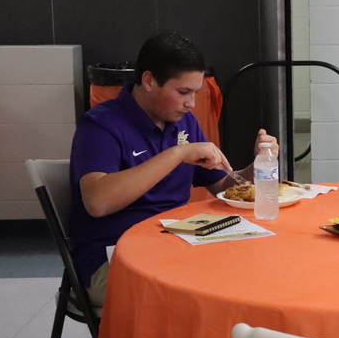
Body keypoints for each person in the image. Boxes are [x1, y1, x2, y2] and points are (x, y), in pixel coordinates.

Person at [69, 31, 277, 306]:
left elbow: (224, 188)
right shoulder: (101, 125)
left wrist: (260, 163)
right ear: (149, 80)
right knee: (206, 294)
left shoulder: (184, 122)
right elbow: (98, 202)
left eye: (195, 93)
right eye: (183, 92)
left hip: (176, 243)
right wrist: (177, 154)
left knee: (256, 269)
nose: (191, 103)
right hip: (114, 255)